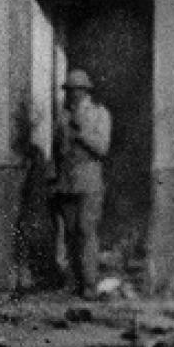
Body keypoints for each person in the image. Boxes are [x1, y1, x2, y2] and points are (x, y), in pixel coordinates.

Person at [52, 68, 112, 299]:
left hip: (89, 181)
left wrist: (81, 133)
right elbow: (58, 150)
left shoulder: (99, 114)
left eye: (76, 90)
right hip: (66, 182)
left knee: (86, 231)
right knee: (69, 233)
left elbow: (102, 148)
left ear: (86, 91)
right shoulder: (62, 116)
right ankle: (73, 282)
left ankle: (89, 284)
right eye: (68, 90)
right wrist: (55, 177)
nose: (71, 94)